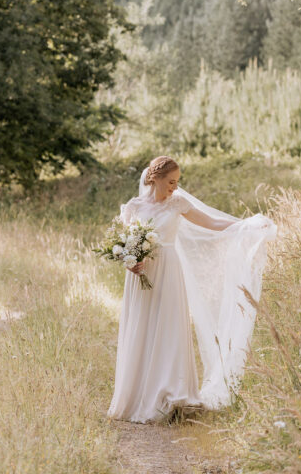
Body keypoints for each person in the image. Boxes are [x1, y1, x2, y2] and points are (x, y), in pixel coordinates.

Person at [107, 155, 277, 423]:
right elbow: (126, 244)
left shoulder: (178, 203)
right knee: (141, 328)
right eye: (171, 182)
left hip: (169, 272)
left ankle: (172, 394)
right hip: (142, 275)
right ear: (155, 179)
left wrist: (247, 226)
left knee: (169, 328)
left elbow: (213, 223)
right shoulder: (133, 207)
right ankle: (137, 396)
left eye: (177, 182)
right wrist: (130, 262)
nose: (175, 187)